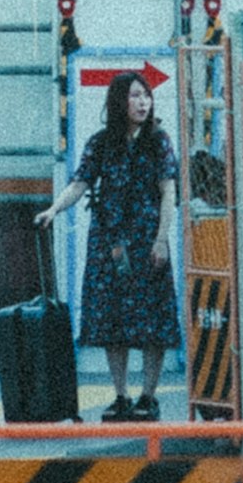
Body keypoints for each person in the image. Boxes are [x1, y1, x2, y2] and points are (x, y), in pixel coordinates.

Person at [60, 71, 179, 426]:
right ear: (118, 101)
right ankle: (121, 395)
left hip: (147, 241)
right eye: (135, 96)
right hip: (109, 242)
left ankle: (149, 396)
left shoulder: (159, 141)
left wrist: (161, 238)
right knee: (113, 320)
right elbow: (80, 183)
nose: (143, 102)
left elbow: (168, 191)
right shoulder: (101, 142)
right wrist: (53, 209)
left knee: (152, 320)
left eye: (146, 96)